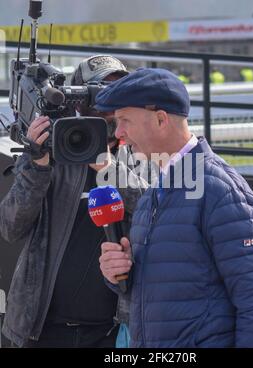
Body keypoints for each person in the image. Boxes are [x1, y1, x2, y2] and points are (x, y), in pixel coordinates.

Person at [96, 68, 253, 348]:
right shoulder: (153, 194)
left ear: (160, 120)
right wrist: (118, 274)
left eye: (124, 120)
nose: (119, 133)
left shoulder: (220, 189)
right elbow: (155, 295)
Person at [0, 55, 147, 348]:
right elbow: (9, 226)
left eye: (120, 96)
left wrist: (109, 169)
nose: (113, 108)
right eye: (102, 94)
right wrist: (36, 164)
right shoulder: (55, 153)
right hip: (41, 331)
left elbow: (155, 208)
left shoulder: (142, 152)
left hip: (113, 333)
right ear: (78, 101)